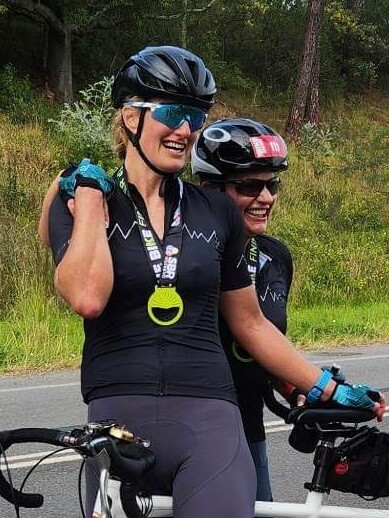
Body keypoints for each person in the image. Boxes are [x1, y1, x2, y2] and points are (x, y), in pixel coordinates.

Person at [39, 45, 385, 518]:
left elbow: (252, 324)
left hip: (209, 414)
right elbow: (86, 295)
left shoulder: (218, 210)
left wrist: (328, 388)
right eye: (174, 112)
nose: (186, 130)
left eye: (197, 116)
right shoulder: (80, 194)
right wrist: (93, 203)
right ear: (129, 116)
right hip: (118, 416)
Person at [191, 117, 294, 503]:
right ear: (209, 189)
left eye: (272, 185)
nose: (265, 198)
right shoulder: (186, 257)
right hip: (190, 433)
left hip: (249, 429)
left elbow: (265, 344)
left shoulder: (275, 255)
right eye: (249, 186)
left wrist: (298, 386)